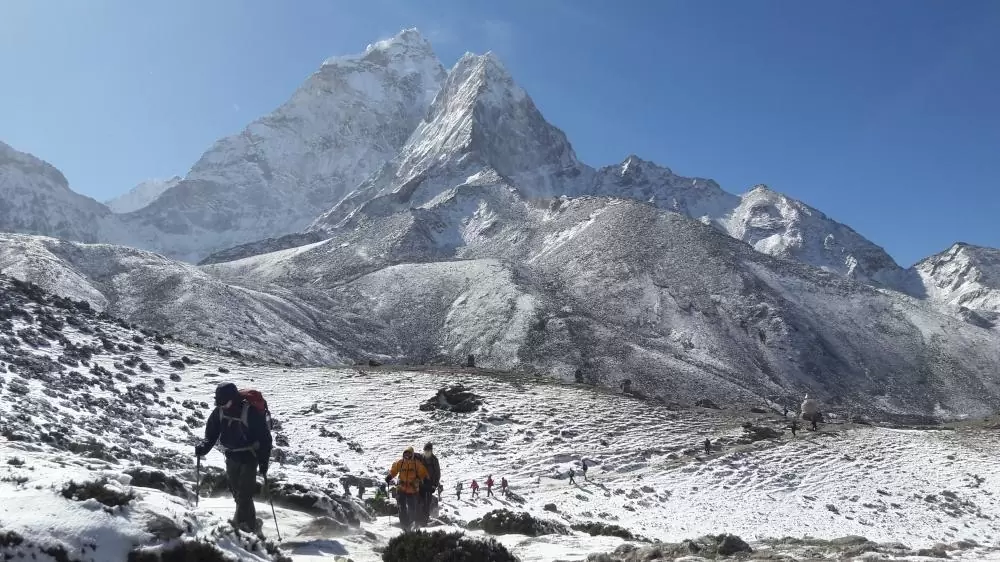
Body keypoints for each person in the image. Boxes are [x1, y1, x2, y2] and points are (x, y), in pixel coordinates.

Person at [195, 382, 273, 535]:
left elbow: (265, 439)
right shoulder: (219, 411)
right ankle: (247, 524)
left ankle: (246, 529)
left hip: (249, 456)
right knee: (237, 493)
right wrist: (203, 447)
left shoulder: (249, 412)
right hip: (231, 456)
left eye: (224, 402)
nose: (222, 406)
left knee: (244, 494)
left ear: (233, 398)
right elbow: (211, 434)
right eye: (220, 403)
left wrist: (264, 462)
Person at [386, 446, 429, 531]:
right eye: (405, 453)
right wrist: (389, 476)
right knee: (401, 508)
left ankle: (410, 525)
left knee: (412, 509)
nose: (407, 455)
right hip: (401, 489)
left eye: (409, 454)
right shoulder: (400, 463)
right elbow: (394, 470)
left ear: (412, 454)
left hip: (412, 490)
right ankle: (404, 526)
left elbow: (423, 473)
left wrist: (423, 481)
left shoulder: (417, 464)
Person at [414, 442, 441, 525]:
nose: (426, 452)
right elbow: (413, 454)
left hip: (429, 484)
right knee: (418, 502)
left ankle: (424, 521)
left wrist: (434, 485)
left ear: (431, 451)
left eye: (428, 451)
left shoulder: (434, 460)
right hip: (421, 483)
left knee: (427, 503)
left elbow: (437, 474)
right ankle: (418, 520)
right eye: (425, 451)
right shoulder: (420, 457)